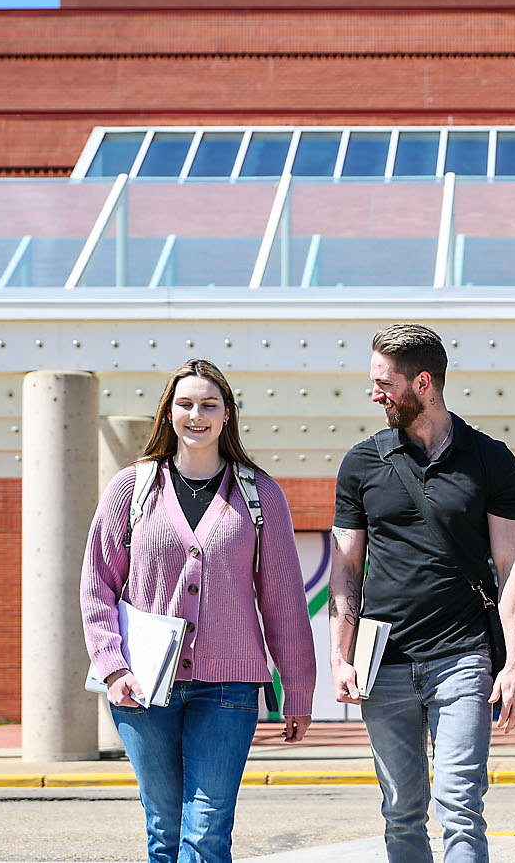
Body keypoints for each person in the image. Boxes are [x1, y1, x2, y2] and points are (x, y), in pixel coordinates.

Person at [80, 358, 315, 863]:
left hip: (229, 688)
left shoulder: (259, 493)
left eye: (209, 405)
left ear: (227, 415)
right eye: (185, 404)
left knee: (206, 831)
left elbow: (284, 600)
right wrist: (113, 667)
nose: (196, 415)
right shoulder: (132, 487)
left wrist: (296, 689)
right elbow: (98, 583)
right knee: (164, 827)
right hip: (144, 686)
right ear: (168, 414)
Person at [329, 323, 515, 863]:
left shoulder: (490, 459)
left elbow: (512, 567)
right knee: (400, 811)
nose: (374, 394)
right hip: (383, 661)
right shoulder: (362, 462)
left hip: (462, 657)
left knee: (460, 806)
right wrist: (339, 655)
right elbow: (346, 567)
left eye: (384, 383)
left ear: (423, 383)